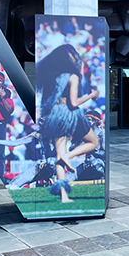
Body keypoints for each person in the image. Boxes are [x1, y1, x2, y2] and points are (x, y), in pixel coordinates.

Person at [37, 44, 98, 203]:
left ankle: (64, 196)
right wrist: (91, 95)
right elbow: (74, 102)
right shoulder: (72, 76)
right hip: (69, 115)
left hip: (53, 116)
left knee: (58, 155)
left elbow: (46, 101)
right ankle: (68, 156)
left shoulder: (50, 76)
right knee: (93, 141)